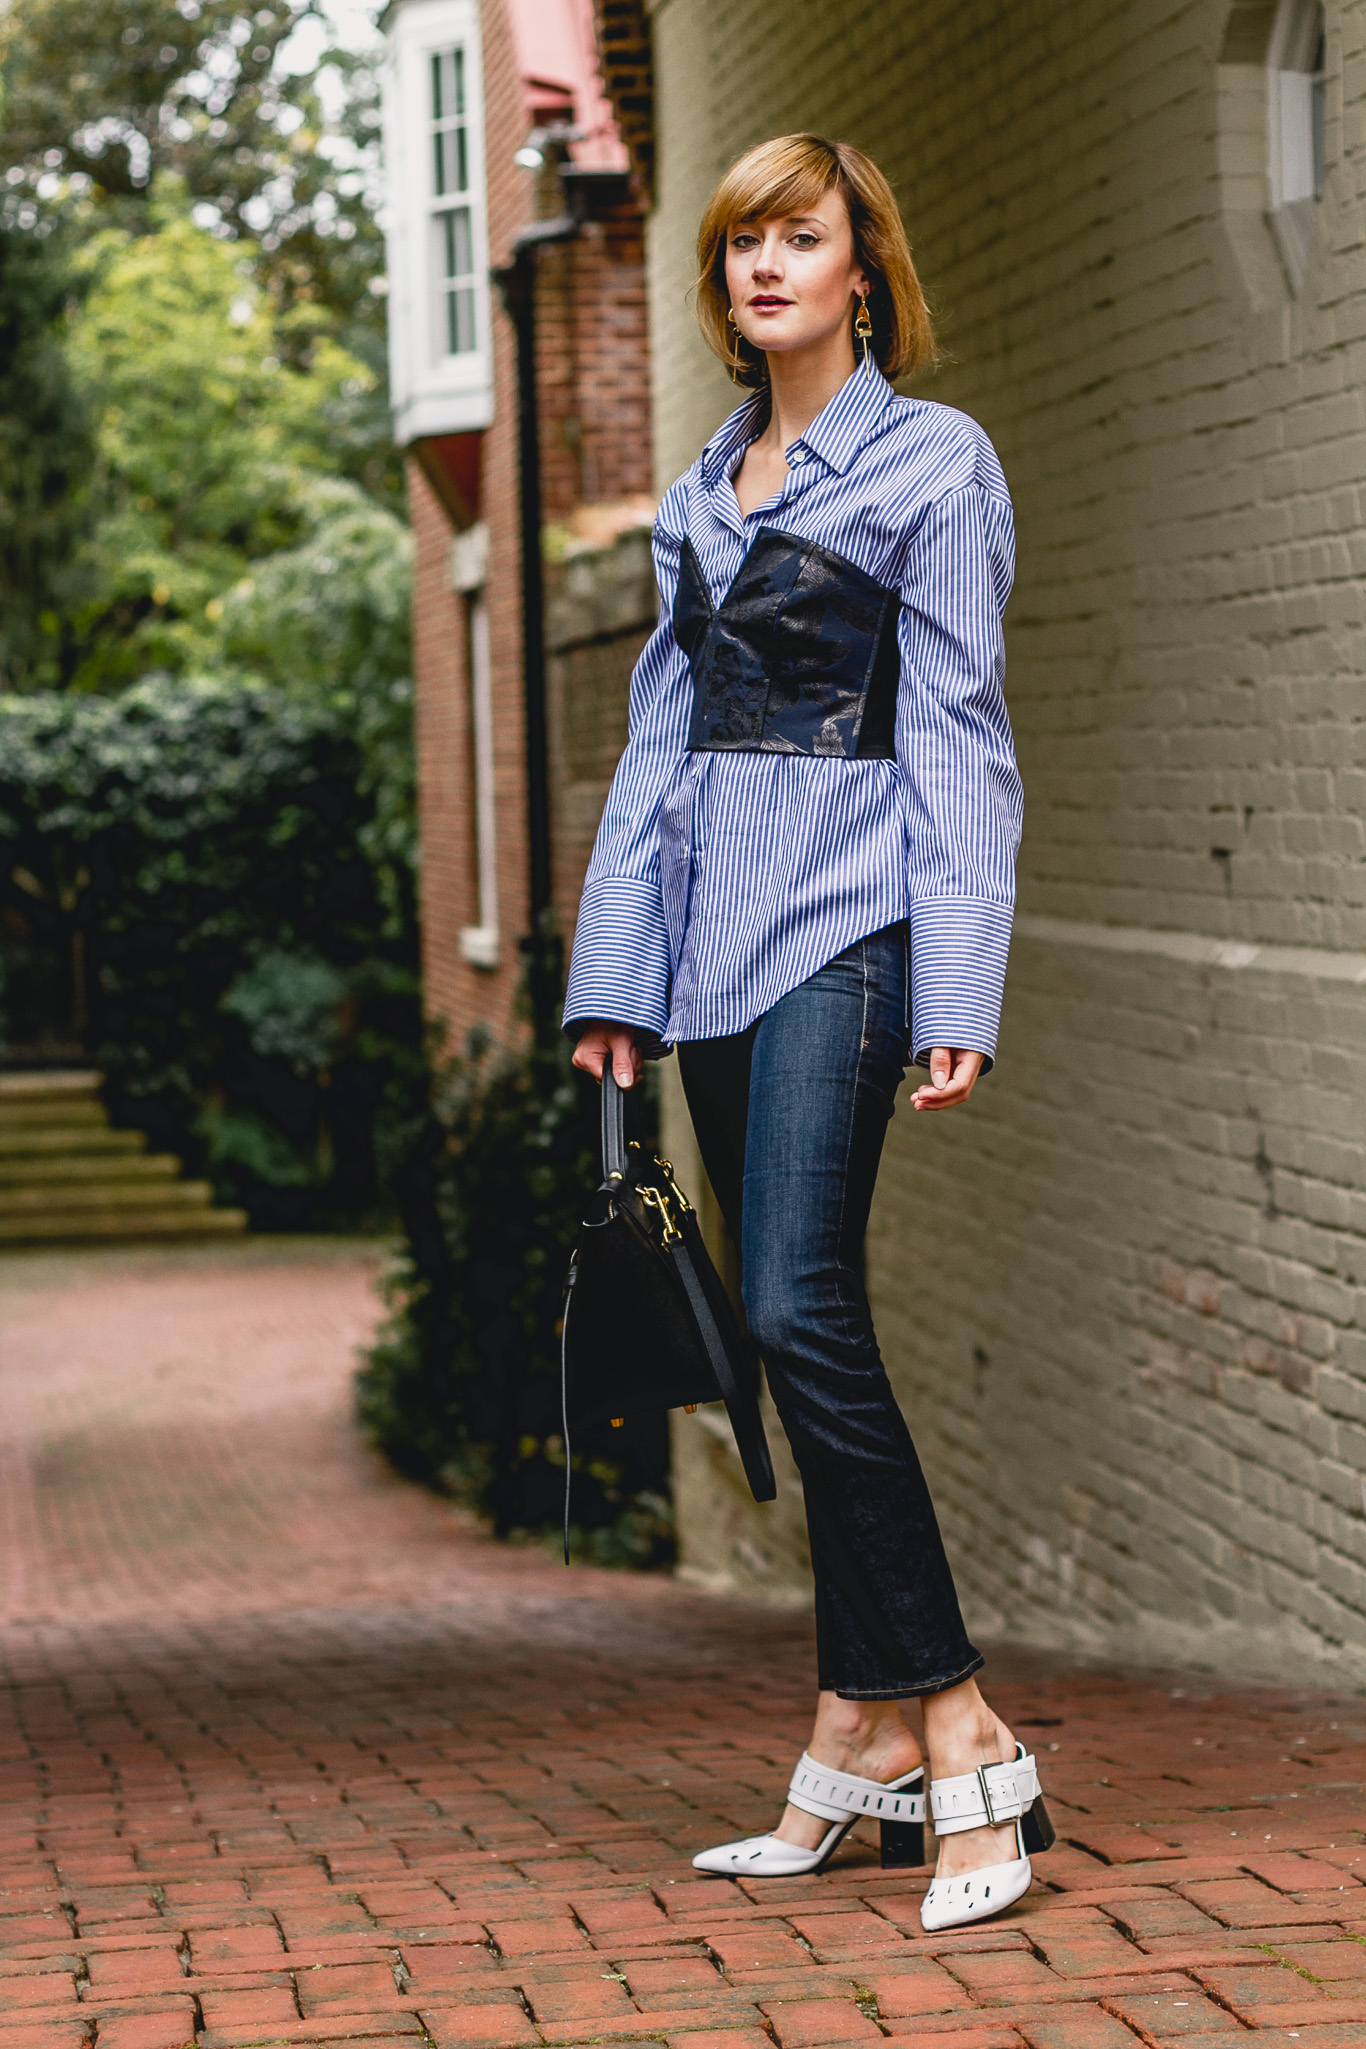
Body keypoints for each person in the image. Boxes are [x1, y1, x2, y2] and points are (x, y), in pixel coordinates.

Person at [564, 132, 1048, 1931]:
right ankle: (852, 1726)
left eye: (802, 236)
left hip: (848, 927)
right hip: (704, 954)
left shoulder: (934, 461)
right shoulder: (701, 484)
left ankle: (962, 1731)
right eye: (743, 241)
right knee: (786, 1323)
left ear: (863, 267)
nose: (769, 264)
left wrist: (959, 983)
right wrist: (612, 981)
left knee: (792, 1302)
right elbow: (657, 749)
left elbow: (960, 737)